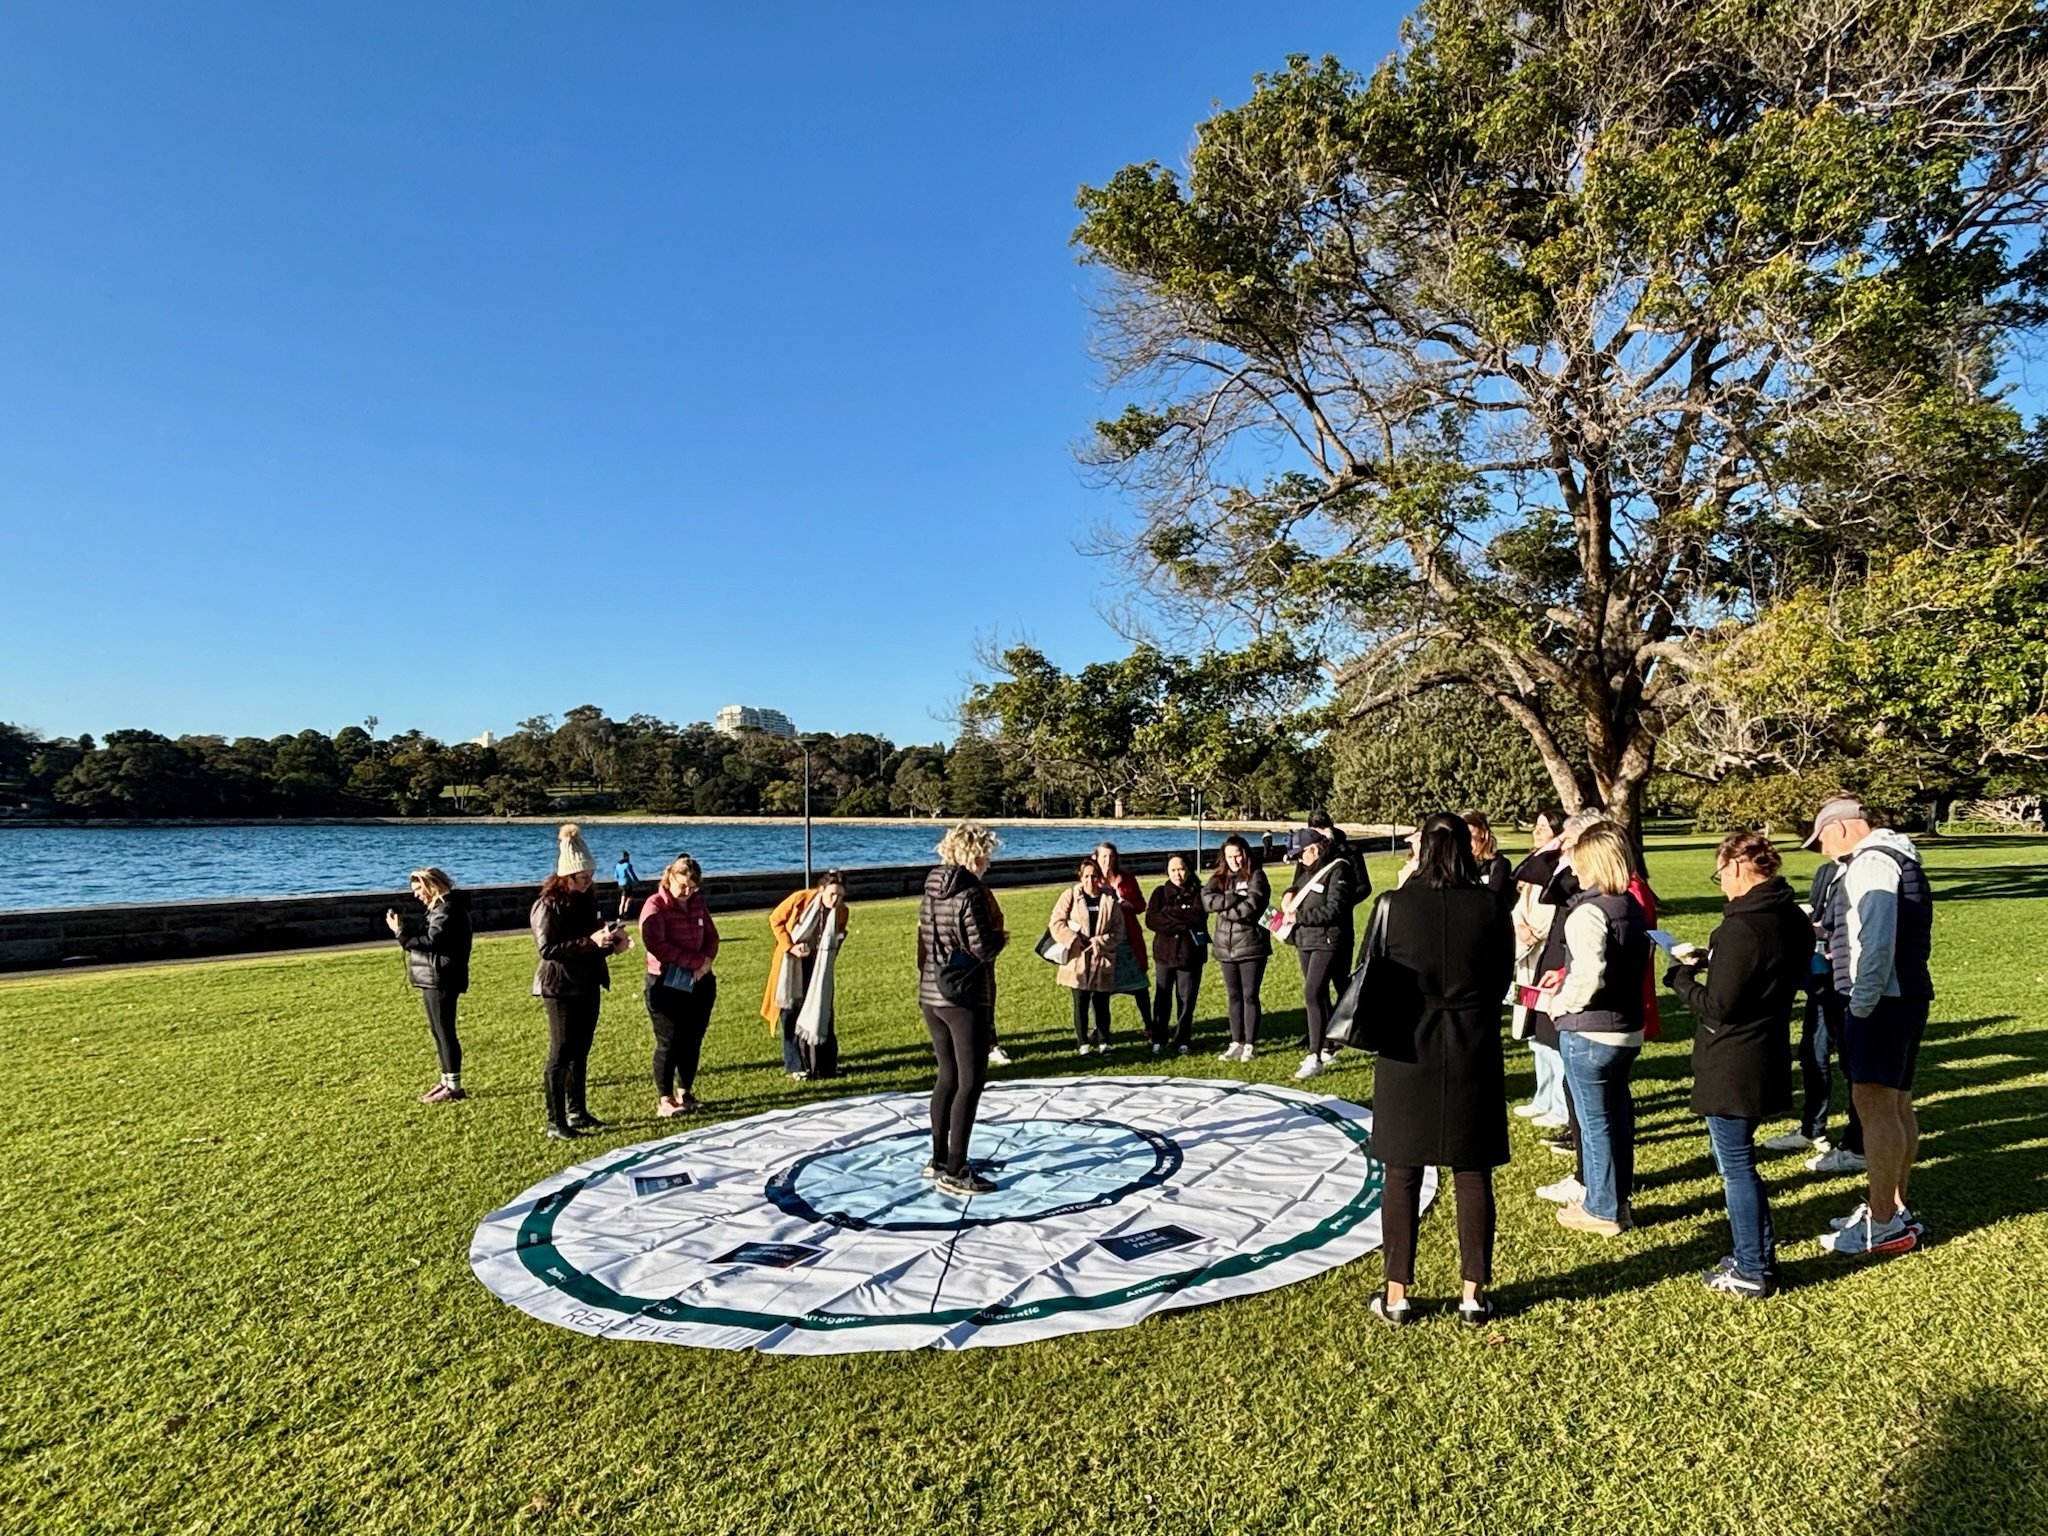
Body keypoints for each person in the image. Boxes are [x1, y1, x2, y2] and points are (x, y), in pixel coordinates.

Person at [1362, 813, 1516, 1327]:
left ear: (1424, 849)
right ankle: (1473, 1294)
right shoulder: (1493, 908)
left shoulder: (1395, 906)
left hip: (1408, 1045)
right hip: (1472, 1045)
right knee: (1472, 1173)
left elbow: (1371, 977)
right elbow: (1500, 980)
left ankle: (1397, 1292)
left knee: (1401, 1173)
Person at [1664, 832, 1813, 1299]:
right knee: (1741, 1160)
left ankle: (1751, 1266)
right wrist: (1718, 960)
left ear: (1735, 868)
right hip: (1766, 1047)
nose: (1721, 885)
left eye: (1719, 875)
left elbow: (1719, 1004)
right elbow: (1764, 970)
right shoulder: (1790, 916)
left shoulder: (1740, 928)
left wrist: (1681, 979)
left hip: (1733, 1058)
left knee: (1736, 1166)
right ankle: (1758, 1256)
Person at [1808, 797, 1935, 1257]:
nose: (1823, 850)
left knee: (1875, 1106)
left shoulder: (1871, 863)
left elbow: (1875, 936)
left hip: (1880, 998)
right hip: (1906, 995)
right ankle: (1893, 1207)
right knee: (1897, 1103)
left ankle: (1882, 1222)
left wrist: (1861, 1003)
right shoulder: (1898, 856)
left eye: (1821, 838)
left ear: (1841, 828)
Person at [1536, 822, 1648, 1235]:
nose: (1575, 873)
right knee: (1617, 1117)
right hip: (1626, 1029)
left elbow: (1589, 977)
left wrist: (1558, 1005)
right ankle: (1619, 1201)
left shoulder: (1589, 912)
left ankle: (1601, 1209)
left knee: (1594, 1123)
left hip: (1591, 1030)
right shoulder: (1631, 907)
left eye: (1580, 865)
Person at [918, 821, 1009, 1198]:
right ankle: (956, 1169)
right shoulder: (971, 893)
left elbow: (924, 941)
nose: (989, 862)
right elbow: (981, 948)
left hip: (931, 993)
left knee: (947, 1076)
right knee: (970, 1081)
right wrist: (999, 939)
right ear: (974, 854)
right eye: (986, 854)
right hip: (964, 996)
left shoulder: (930, 889)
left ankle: (939, 1157)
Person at [1766, 856, 1867, 1168]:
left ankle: (1857, 1144)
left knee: (1851, 1064)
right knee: (1812, 1052)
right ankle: (1813, 1129)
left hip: (1846, 978)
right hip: (1820, 977)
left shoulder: (1863, 870)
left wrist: (1821, 933)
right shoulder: (1827, 870)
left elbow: (1853, 924)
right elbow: (1819, 912)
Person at [532, 824, 632, 1140]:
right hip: (560, 986)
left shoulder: (587, 899)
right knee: (560, 1052)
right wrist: (590, 942)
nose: (587, 881)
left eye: (590, 875)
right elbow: (548, 949)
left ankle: (578, 1111)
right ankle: (555, 1121)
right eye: (581, 877)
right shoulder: (548, 905)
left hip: (588, 980)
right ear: (565, 876)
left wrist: (612, 941)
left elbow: (591, 937)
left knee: (581, 1050)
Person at [638, 854, 721, 1116]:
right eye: (683, 885)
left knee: (692, 1038)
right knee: (669, 1040)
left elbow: (712, 935)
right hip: (666, 982)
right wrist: (695, 962)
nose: (687, 891)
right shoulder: (655, 906)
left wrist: (705, 962)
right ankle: (664, 1098)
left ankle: (685, 1092)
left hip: (700, 981)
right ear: (670, 877)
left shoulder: (697, 903)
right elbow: (657, 945)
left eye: (693, 887)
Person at [386, 866, 473, 1104]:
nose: (416, 895)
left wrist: (401, 934)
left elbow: (433, 940)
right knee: (438, 1030)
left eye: (418, 889)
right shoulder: (439, 909)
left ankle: (453, 1086)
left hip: (442, 978)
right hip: (433, 977)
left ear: (432, 886)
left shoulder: (448, 909)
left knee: (445, 1032)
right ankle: (446, 1080)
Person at [1280, 828, 1357, 1080]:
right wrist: (1287, 897)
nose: (1299, 860)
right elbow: (1297, 889)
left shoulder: (1339, 869)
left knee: (1312, 992)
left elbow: (1335, 909)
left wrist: (1299, 916)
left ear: (1314, 849)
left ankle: (1314, 1055)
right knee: (1318, 994)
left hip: (1327, 939)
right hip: (1305, 940)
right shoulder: (1307, 870)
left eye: (1301, 854)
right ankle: (1326, 1046)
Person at [1509, 811, 1569, 1130]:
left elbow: (1551, 914)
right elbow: (1519, 907)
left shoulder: (1559, 870)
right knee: (1534, 1032)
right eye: (1536, 826)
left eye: (1544, 827)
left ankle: (1560, 1105)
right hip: (1527, 959)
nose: (1537, 831)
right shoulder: (1534, 866)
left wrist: (1531, 931)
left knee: (1548, 1030)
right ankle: (1542, 1097)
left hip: (1545, 956)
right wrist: (1519, 924)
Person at [762, 872, 849, 1082]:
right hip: (791, 964)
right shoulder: (800, 899)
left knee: (823, 1009)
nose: (835, 900)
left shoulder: (841, 911)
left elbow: (839, 934)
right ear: (821, 891)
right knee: (791, 1012)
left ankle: (826, 1064)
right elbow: (775, 920)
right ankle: (795, 1065)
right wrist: (790, 947)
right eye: (831, 895)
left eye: (840, 896)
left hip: (818, 966)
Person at [1204, 835, 1272, 1063]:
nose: (1235, 860)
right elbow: (1207, 900)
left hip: (1251, 945)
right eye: (1230, 856)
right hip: (1225, 946)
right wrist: (1232, 898)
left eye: (1238, 855)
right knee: (1233, 996)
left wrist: (1224, 909)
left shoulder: (1257, 876)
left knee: (1249, 995)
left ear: (1245, 853)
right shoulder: (1219, 879)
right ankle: (1236, 1041)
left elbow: (1251, 908)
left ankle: (1250, 1044)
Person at [1051, 859, 1124, 1056]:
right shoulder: (1070, 896)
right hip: (1077, 960)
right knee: (1080, 1002)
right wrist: (1073, 939)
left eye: (1093, 876)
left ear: (1099, 878)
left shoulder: (1109, 900)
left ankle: (1104, 1041)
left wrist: (1100, 942)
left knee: (1102, 1003)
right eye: (1086, 876)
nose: (1090, 881)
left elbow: (1119, 930)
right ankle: (1083, 1043)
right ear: (1080, 877)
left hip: (1101, 959)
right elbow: (1056, 922)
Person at [1092, 843, 1159, 1046]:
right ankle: (1101, 1031)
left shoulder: (1127, 879)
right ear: (1095, 858)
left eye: (1111, 856)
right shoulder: (1092, 881)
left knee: (1140, 986)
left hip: (1128, 940)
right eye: (1103, 856)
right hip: (1104, 942)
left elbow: (1141, 905)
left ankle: (1150, 1025)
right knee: (1100, 989)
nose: (1107, 860)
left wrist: (1129, 905)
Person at [1146, 854, 1208, 1056]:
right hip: (1164, 954)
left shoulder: (1199, 892)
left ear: (1188, 870)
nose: (1177, 874)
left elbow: (1197, 916)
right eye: (1173, 870)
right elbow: (1152, 920)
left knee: (1186, 998)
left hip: (1190, 954)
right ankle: (1159, 1037)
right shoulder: (1160, 893)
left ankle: (1183, 1037)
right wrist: (1180, 917)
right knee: (1162, 997)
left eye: (1180, 869)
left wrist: (1171, 916)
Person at [1307, 811, 1374, 966]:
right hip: (1312, 930)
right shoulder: (1308, 854)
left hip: (1340, 925)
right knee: (1314, 986)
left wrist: (1341, 902)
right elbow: (1298, 883)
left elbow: (1364, 886)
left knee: (1342, 978)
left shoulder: (1350, 851)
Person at [1464, 811, 1515, 901]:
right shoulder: (1456, 864)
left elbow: (1493, 899)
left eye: (1470, 835)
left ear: (1483, 833)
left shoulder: (1499, 865)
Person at [614, 850, 639, 920]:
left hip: (620, 884)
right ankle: (625, 913)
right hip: (627, 884)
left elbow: (616, 875)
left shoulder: (617, 865)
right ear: (626, 857)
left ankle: (620, 914)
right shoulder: (627, 865)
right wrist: (637, 881)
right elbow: (632, 875)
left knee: (622, 900)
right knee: (629, 899)